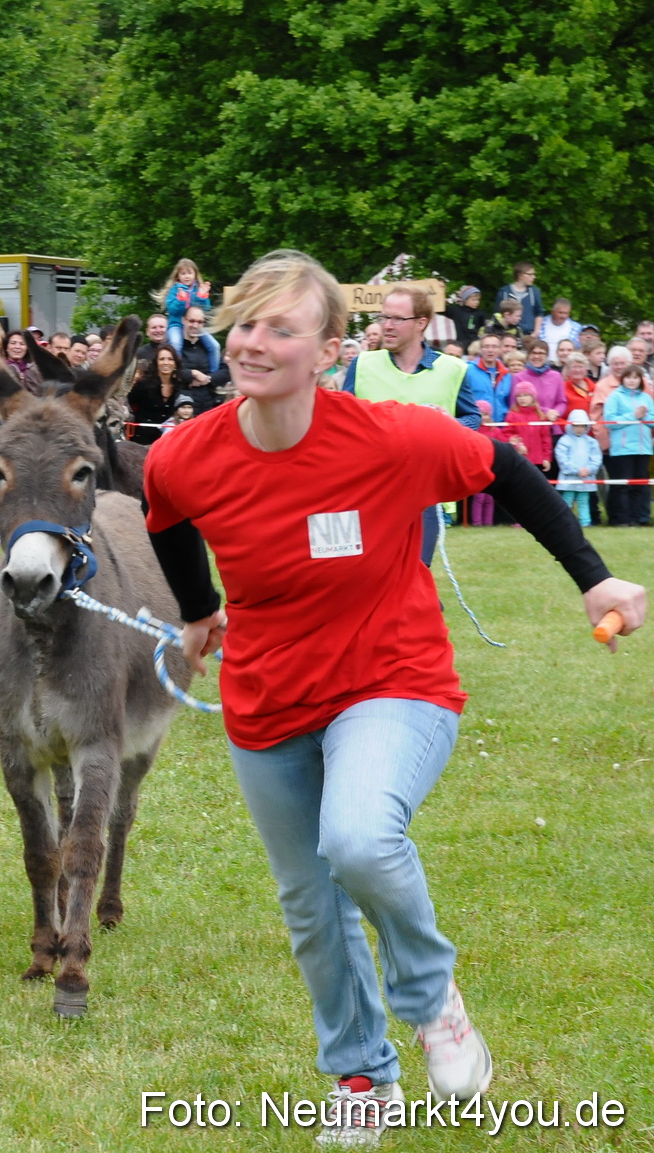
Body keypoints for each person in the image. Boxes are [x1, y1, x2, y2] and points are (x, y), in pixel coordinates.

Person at [143, 248, 646, 1146]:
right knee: (310, 902)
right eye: (246, 323)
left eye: (280, 328)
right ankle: (359, 1077)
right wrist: (197, 613)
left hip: (392, 680)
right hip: (266, 699)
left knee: (359, 837)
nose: (254, 343)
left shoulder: (385, 437)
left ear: (329, 348)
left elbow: (506, 470)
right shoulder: (186, 454)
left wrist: (594, 578)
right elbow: (169, 519)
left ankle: (432, 1001)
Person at [343, 285, 480, 559]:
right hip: (369, 491)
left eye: (397, 319)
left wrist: (448, 425)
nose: (387, 326)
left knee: (415, 571)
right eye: (384, 318)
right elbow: (340, 420)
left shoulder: (453, 369)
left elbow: (472, 418)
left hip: (425, 493)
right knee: (367, 575)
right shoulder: (363, 364)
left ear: (421, 323)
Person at [602, 364, 653, 527]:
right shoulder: (614, 397)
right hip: (622, 450)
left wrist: (643, 417)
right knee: (622, 485)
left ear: (641, 380)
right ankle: (620, 519)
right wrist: (634, 415)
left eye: (636, 377)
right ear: (623, 379)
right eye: (628, 377)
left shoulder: (646, 398)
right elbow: (610, 421)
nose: (632, 381)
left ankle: (639, 518)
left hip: (643, 448)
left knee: (641, 486)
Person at [127, 343, 190, 444]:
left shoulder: (179, 385)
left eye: (170, 359)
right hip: (142, 438)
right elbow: (128, 402)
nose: (166, 362)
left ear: (175, 363)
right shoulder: (143, 384)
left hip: (168, 439)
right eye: (162, 359)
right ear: (156, 363)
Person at [555, 410, 602, 526]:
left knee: (583, 501)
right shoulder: (564, 441)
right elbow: (562, 458)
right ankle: (565, 523)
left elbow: (596, 458)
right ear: (571, 425)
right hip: (569, 480)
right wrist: (576, 470)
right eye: (576, 425)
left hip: (586, 480)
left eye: (582, 425)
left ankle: (585, 523)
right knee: (567, 501)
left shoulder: (591, 442)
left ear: (587, 426)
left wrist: (589, 469)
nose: (579, 428)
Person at [157, 258, 210, 348]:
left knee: (214, 346)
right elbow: (172, 309)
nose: (186, 276)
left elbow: (206, 309)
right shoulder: (174, 290)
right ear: (178, 276)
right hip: (176, 324)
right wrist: (180, 300)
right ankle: (178, 362)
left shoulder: (198, 289)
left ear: (195, 275)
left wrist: (202, 297)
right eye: (183, 273)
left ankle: (215, 363)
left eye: (189, 273)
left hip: (195, 326)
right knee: (176, 343)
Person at [495, 262, 541, 334]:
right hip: (508, 334)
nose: (534, 277)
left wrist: (535, 333)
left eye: (534, 274)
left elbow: (539, 313)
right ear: (520, 275)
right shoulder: (504, 292)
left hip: (529, 334)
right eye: (530, 274)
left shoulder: (534, 292)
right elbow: (498, 314)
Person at [442, 286, 488, 351]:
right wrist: (440, 289)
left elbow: (486, 329)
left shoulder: (480, 314)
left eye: (478, 300)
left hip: (475, 347)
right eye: (473, 300)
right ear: (465, 300)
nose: (476, 302)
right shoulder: (456, 310)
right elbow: (439, 308)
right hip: (460, 346)